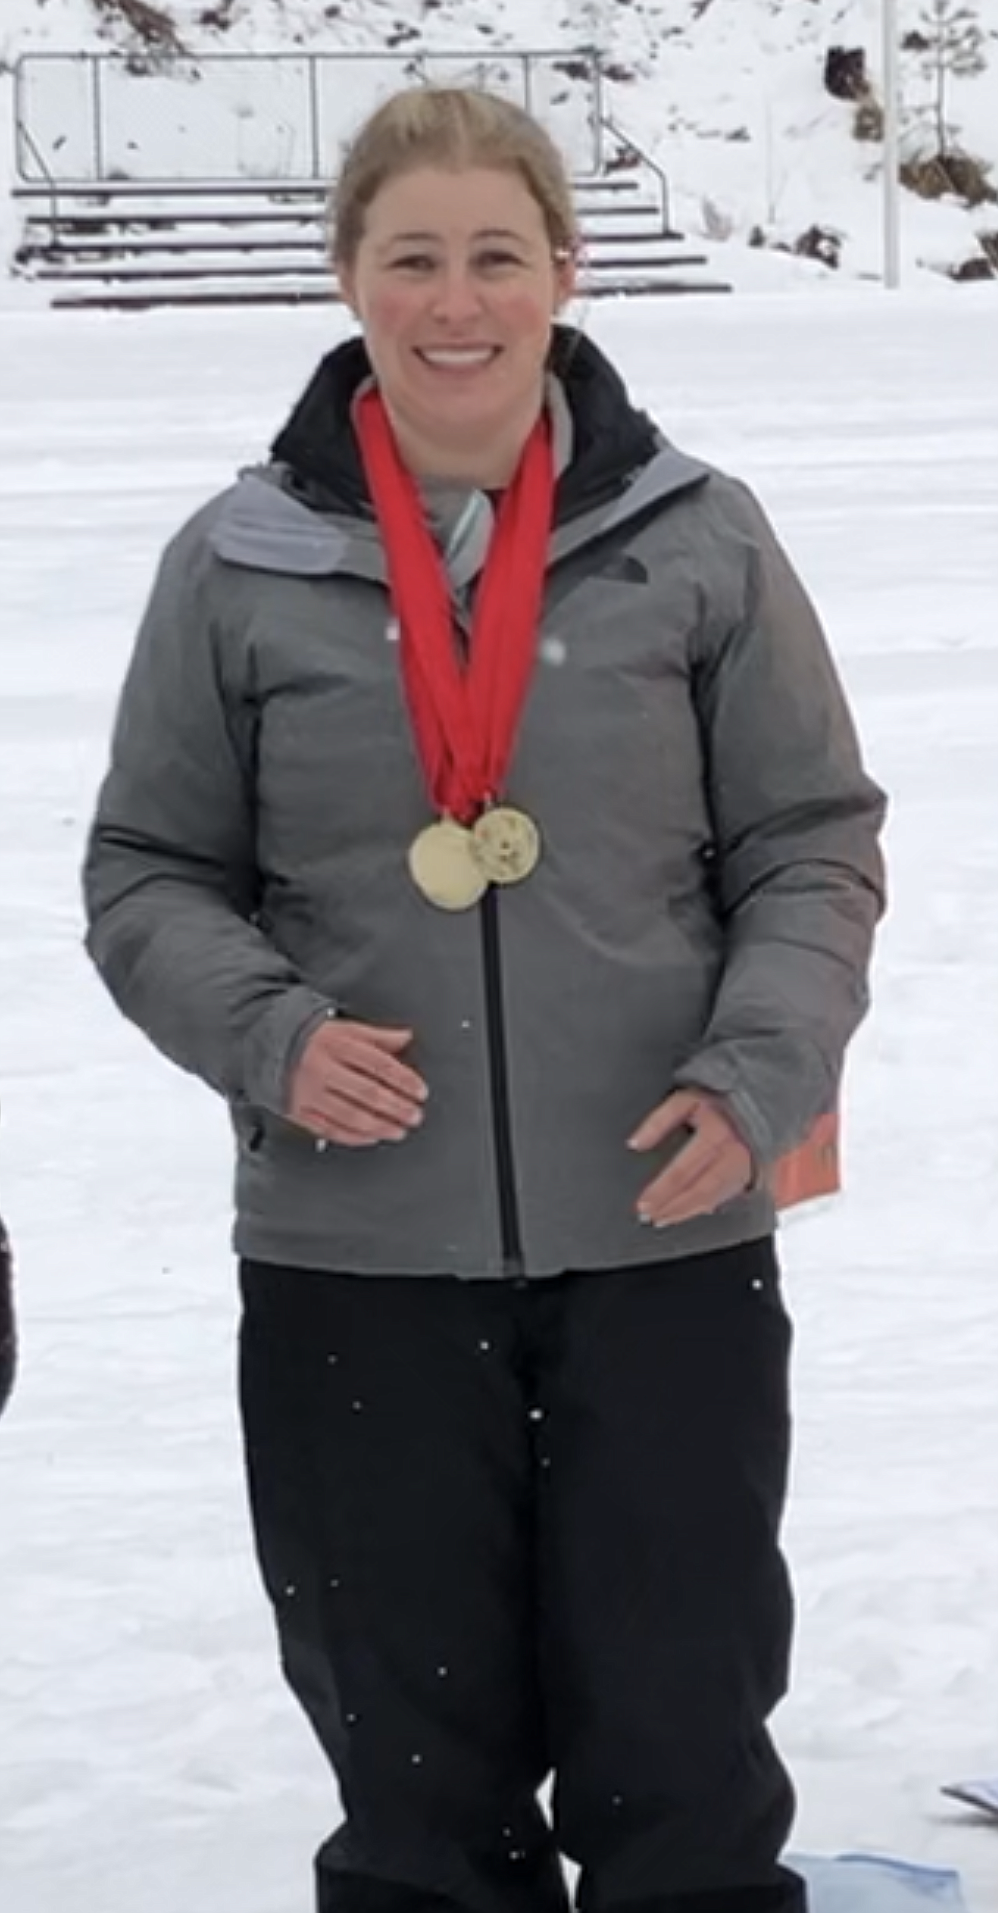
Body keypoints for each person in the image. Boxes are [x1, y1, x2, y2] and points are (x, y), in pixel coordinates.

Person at [83, 85, 886, 1913]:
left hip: (663, 1226)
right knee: (416, 1792)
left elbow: (809, 844)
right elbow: (144, 873)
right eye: (414, 259)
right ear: (348, 278)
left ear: (564, 273)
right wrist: (270, 1034)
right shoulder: (237, 564)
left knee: (682, 1761)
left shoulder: (698, 538)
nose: (458, 303)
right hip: (350, 1259)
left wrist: (760, 1073)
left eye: (496, 257)